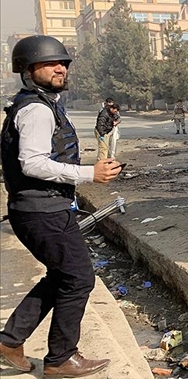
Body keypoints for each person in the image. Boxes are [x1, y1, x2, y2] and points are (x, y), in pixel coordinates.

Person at [0, 35, 121, 376]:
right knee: (79, 278)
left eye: (62, 63)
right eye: (49, 63)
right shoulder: (37, 109)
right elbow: (33, 163)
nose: (59, 68)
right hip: (42, 211)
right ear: (27, 70)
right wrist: (88, 174)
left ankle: (10, 340)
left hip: (41, 208)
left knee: (62, 276)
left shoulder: (40, 103)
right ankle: (61, 358)